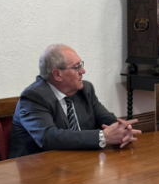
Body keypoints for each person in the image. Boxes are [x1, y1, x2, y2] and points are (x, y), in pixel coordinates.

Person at [9, 44, 140, 158]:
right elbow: (48, 138)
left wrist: (123, 130)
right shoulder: (33, 97)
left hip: (78, 165)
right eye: (76, 67)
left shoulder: (85, 90)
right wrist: (102, 137)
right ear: (57, 74)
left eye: (81, 65)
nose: (83, 71)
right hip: (38, 171)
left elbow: (108, 120)